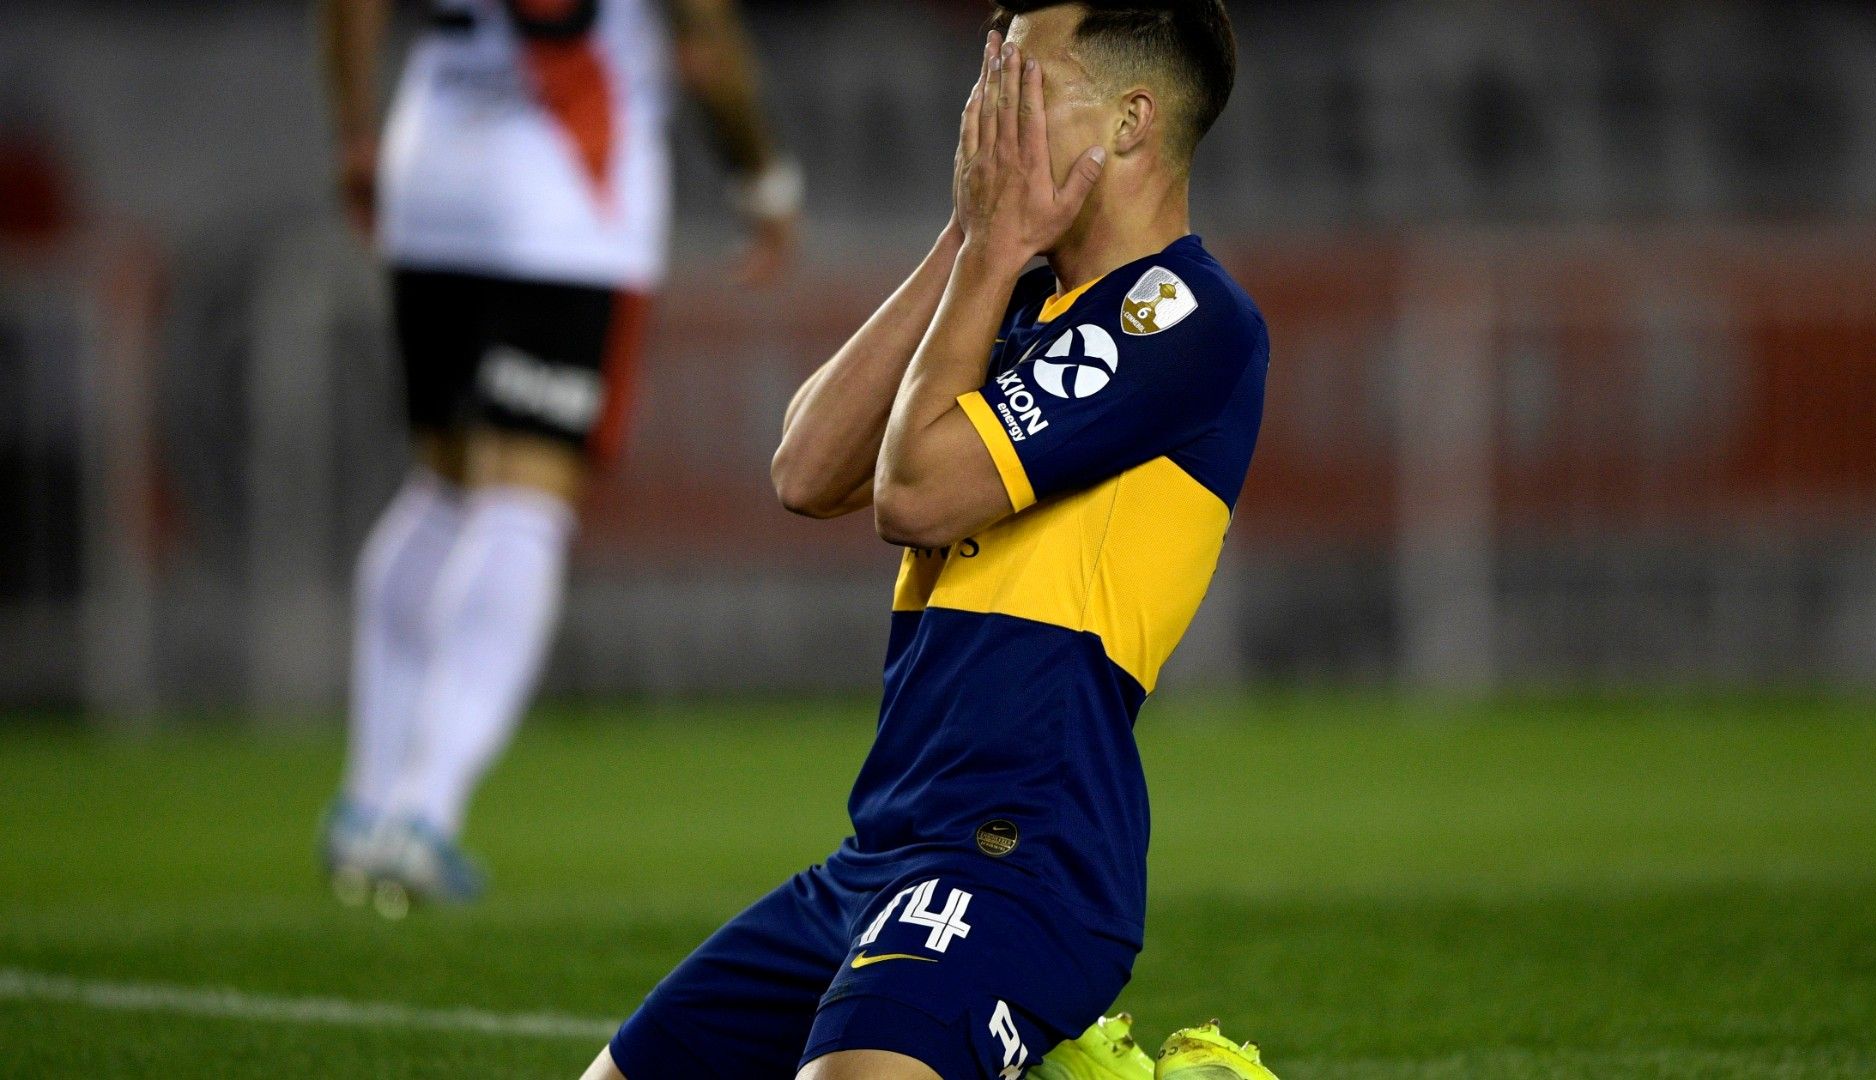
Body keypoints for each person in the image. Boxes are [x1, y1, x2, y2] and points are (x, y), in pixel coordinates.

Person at [583, 2, 1275, 1077]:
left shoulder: (1183, 312)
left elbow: (912, 494)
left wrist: (993, 248)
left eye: (1021, 81)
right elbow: (806, 471)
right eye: (982, 76)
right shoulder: (1010, 297)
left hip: (1022, 856)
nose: (983, 111)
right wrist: (972, 242)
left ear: (1132, 123)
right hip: (883, 851)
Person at [317, 0, 801, 913]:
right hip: (567, 177)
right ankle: (423, 816)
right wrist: (762, 174)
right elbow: (701, 34)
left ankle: (366, 799)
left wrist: (353, 131)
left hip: (431, 157)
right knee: (525, 500)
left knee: (445, 485)